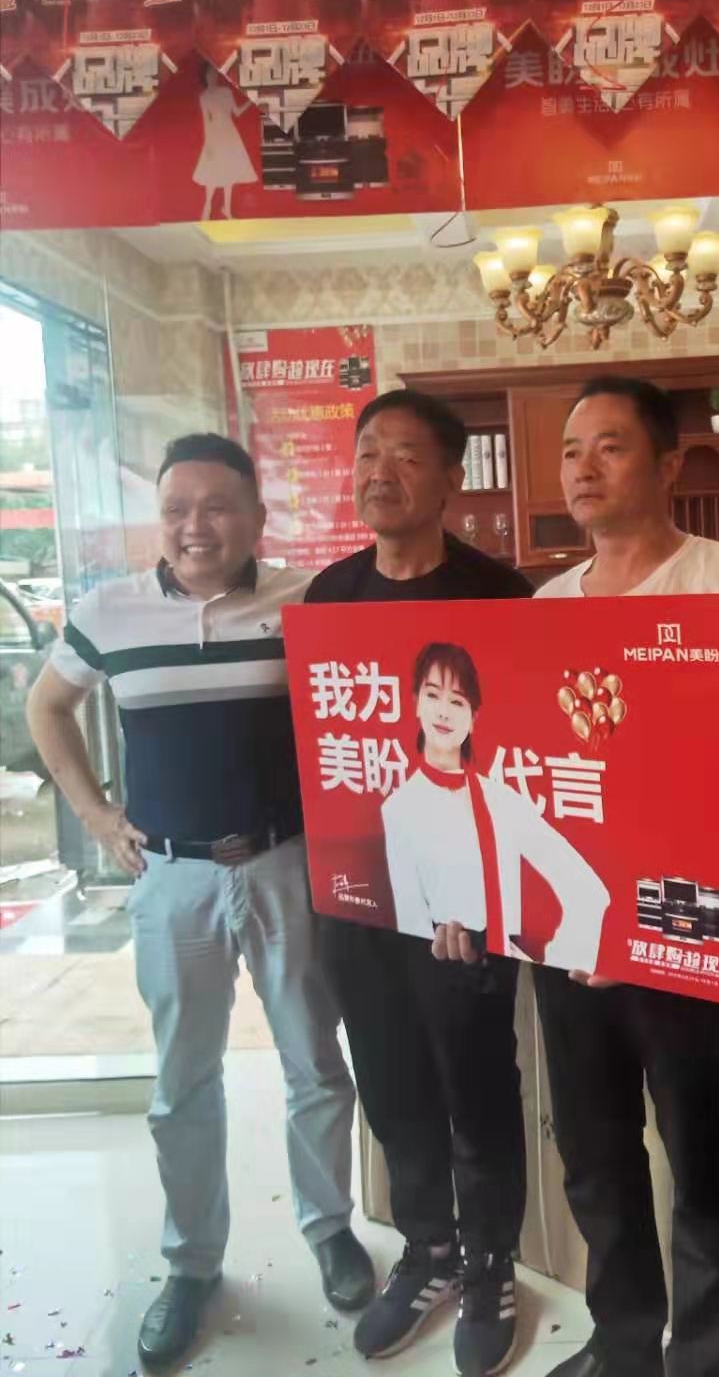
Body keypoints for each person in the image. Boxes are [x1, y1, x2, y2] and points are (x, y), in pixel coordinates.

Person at [25, 434, 374, 1373]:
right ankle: (190, 1264)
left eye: (217, 506)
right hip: (171, 878)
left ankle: (330, 1229)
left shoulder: (306, 600)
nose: (195, 526)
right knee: (183, 1080)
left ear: (257, 517)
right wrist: (97, 815)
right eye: (177, 508)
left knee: (314, 1061)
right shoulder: (110, 612)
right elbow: (46, 707)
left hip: (284, 865)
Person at [446, 376, 719, 1377]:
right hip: (572, 932)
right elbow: (536, 776)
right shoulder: (548, 605)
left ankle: (705, 1358)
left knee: (700, 1150)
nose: (583, 468)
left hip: (680, 923)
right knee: (594, 1150)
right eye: (571, 450)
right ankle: (624, 1343)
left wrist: (638, 922)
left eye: (611, 447)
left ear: (669, 465)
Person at [305, 390, 533, 1377]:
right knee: (392, 1083)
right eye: (367, 453)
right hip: (363, 899)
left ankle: (489, 1264)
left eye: (405, 456)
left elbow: (523, 763)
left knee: (474, 1084)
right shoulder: (329, 595)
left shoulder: (500, 596)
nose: (380, 473)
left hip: (462, 913)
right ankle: (428, 1249)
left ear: (451, 478)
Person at [382, 640, 610, 972]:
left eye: (457, 701)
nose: (443, 711)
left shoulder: (502, 800)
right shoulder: (397, 810)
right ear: (416, 703)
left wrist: (563, 960)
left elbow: (590, 892)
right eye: (432, 695)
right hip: (436, 972)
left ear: (473, 718)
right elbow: (410, 922)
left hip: (505, 973)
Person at [193, 64, 256, 220]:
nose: (213, 77)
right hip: (215, 135)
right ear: (205, 77)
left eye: (215, 74)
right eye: (210, 74)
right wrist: (208, 144)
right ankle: (208, 205)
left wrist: (251, 101)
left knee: (229, 171)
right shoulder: (204, 97)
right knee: (213, 171)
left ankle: (226, 209)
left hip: (230, 134)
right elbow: (206, 122)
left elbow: (237, 112)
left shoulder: (226, 92)